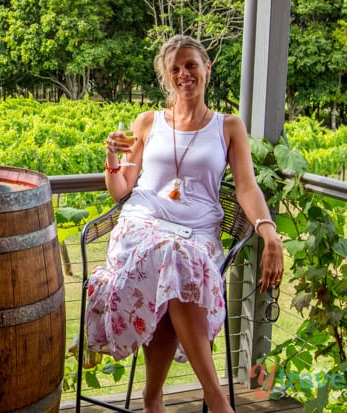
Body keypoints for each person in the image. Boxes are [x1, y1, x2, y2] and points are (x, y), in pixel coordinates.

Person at [85, 35, 283, 413]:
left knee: (176, 265)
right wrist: (111, 157)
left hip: (199, 235)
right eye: (174, 68)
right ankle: (217, 397)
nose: (183, 74)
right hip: (142, 225)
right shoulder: (148, 122)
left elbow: (247, 187)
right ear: (166, 77)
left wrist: (268, 232)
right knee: (171, 259)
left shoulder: (229, 126)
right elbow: (121, 188)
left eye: (190, 65)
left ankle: (152, 397)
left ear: (207, 69)